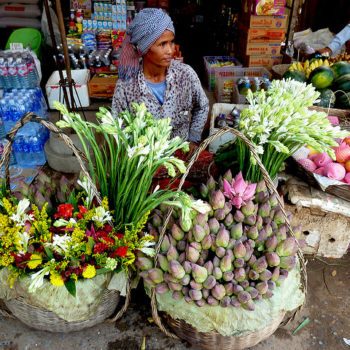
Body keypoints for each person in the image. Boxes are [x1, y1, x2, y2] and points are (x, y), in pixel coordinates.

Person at [112, 8, 209, 143]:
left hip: (181, 156)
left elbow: (202, 106)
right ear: (143, 48)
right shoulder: (127, 86)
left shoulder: (185, 75)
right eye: (162, 44)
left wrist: (193, 138)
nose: (170, 50)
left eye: (171, 42)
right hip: (146, 160)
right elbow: (118, 127)